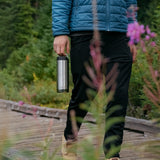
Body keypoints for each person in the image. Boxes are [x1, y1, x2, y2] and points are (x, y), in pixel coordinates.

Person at [52, 0, 137, 160]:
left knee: (118, 94)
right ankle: (70, 140)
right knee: (84, 93)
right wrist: (60, 31)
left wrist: (133, 36)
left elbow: (131, 3)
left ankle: (113, 153)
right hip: (84, 31)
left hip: (119, 35)